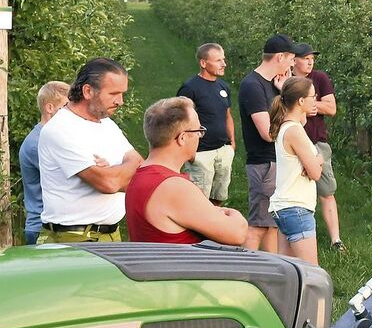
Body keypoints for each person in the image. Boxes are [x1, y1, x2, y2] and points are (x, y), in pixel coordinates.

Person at [37, 58, 141, 243]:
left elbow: (140, 166)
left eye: (122, 94)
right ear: (87, 91)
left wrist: (113, 172)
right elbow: (108, 183)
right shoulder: (61, 129)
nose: (120, 101)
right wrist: (120, 172)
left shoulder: (107, 124)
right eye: (114, 94)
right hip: (73, 238)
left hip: (111, 235)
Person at [126, 97, 248, 245]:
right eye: (198, 131)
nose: (200, 137)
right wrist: (232, 214)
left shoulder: (140, 175)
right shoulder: (174, 187)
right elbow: (237, 234)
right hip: (176, 261)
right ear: (182, 138)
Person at [240, 34, 299, 253]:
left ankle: (270, 266)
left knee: (272, 226)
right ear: (280, 57)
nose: (292, 65)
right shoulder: (253, 86)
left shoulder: (275, 85)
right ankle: (244, 267)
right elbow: (267, 132)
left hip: (276, 161)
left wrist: (284, 91)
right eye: (291, 59)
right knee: (258, 225)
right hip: (264, 164)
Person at [293, 43, 344, 251]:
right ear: (294, 60)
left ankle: (336, 240)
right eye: (305, 58)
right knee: (296, 191)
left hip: (317, 143)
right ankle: (299, 236)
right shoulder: (286, 80)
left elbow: (331, 108)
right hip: (293, 145)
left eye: (312, 58)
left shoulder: (319, 78)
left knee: (327, 190)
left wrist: (309, 105)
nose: (310, 62)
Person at [268, 77, 325, 265]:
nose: (315, 100)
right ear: (300, 101)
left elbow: (311, 168)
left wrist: (314, 163)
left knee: (288, 272)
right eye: (312, 96)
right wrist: (319, 159)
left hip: (285, 208)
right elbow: (315, 173)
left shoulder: (287, 126)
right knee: (312, 273)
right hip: (296, 209)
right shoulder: (294, 131)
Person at [177, 43, 236, 207]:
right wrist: (189, 152)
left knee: (219, 196)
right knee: (198, 201)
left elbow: (227, 115)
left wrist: (231, 143)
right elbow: (180, 122)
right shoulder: (190, 88)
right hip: (201, 152)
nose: (224, 64)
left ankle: (213, 222)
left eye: (223, 59)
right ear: (203, 63)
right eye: (218, 61)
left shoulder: (223, 87)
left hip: (223, 150)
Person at [19, 81, 69, 245]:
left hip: (53, 226)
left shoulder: (54, 137)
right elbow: (72, 177)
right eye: (66, 106)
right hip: (41, 228)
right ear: (49, 108)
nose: (71, 112)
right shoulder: (37, 143)